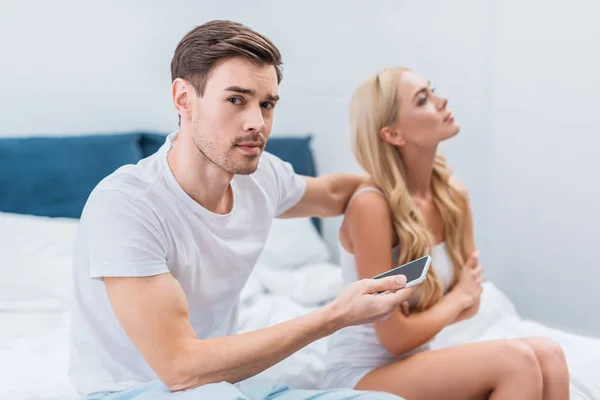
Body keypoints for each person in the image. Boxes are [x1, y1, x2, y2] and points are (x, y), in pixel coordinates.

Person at [68, 21, 414, 400]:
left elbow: (335, 193)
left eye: (266, 104)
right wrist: (335, 316)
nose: (257, 123)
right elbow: (180, 368)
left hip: (220, 387)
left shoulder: (260, 175)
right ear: (184, 99)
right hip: (137, 391)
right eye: (236, 100)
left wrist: (419, 192)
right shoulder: (127, 205)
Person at [320, 67, 571, 400]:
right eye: (424, 99)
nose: (442, 100)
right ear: (393, 134)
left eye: (432, 90)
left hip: (419, 357)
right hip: (364, 371)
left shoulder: (452, 195)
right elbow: (394, 338)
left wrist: (452, 304)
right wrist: (457, 298)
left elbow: (473, 301)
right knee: (516, 361)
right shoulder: (371, 206)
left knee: (550, 354)